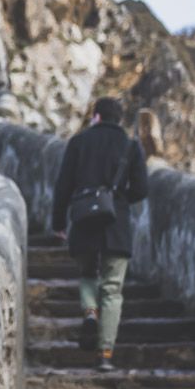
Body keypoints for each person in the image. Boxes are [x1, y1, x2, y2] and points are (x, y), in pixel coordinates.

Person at [52, 96, 148, 370]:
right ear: (119, 119)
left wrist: (58, 222)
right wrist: (117, 199)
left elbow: (63, 186)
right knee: (112, 289)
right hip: (116, 225)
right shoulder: (130, 146)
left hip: (83, 221)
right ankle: (105, 354)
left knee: (87, 275)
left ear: (96, 116)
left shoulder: (79, 142)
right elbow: (141, 189)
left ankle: (90, 313)